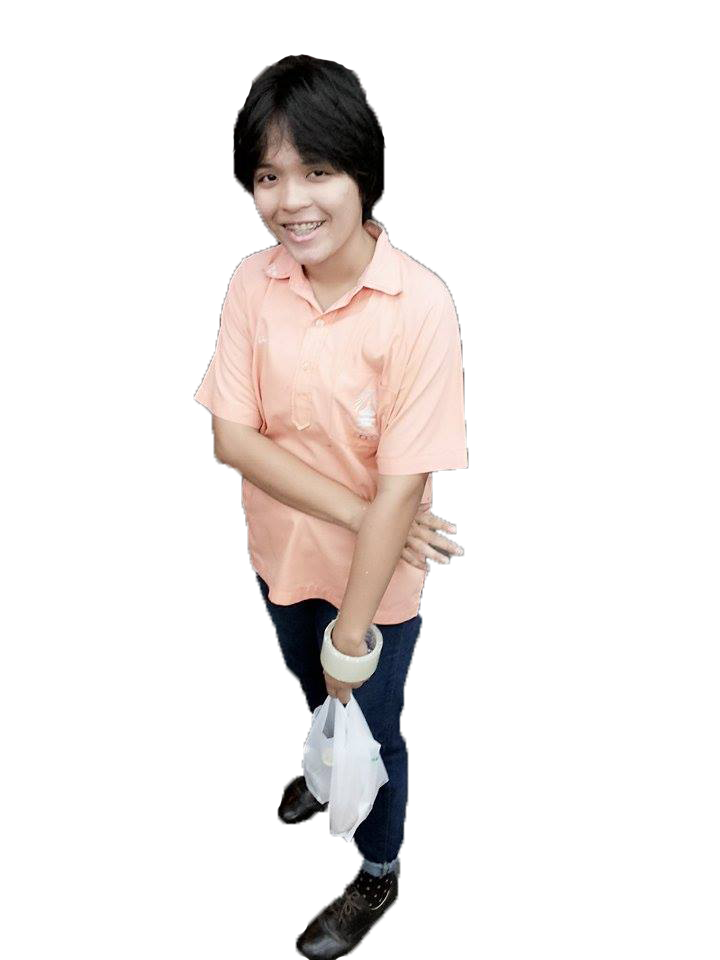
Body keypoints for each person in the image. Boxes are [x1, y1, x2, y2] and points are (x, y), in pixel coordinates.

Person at [193, 54, 468, 960]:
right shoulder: (253, 281)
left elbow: (404, 487)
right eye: (269, 176)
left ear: (362, 174)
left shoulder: (419, 307)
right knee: (314, 691)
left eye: (317, 170)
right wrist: (360, 512)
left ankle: (378, 871)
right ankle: (322, 765)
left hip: (375, 585)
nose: (291, 200)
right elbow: (232, 440)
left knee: (374, 726)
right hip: (279, 554)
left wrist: (353, 633)